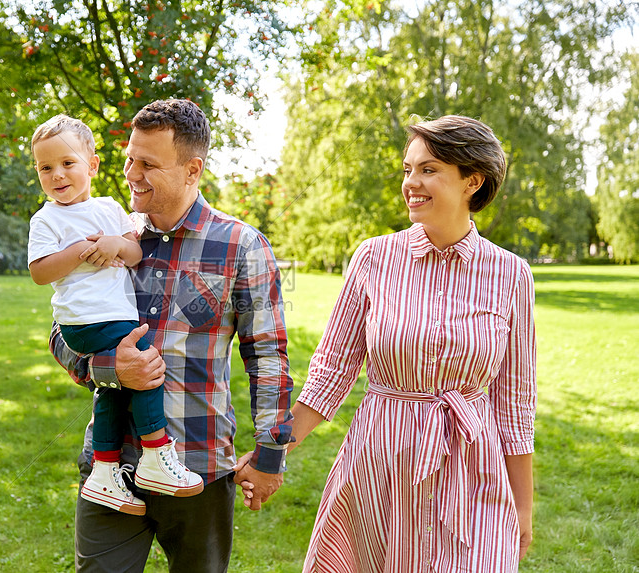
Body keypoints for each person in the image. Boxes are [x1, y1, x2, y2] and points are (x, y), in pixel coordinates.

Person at [47, 99, 294, 572]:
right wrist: (109, 368)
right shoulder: (108, 235)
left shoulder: (241, 245)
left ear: (192, 170)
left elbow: (268, 355)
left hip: (199, 466)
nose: (130, 173)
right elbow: (62, 334)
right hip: (111, 464)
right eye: (129, 158)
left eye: (148, 164)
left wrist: (270, 454)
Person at [286, 115, 536, 572]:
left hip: (472, 473)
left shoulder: (512, 274)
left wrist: (522, 505)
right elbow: (332, 372)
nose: (411, 183)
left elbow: (514, 403)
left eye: (429, 169)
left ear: (471, 182)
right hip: (379, 464)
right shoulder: (374, 258)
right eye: (408, 169)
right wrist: (273, 450)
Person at [27, 114, 204, 517]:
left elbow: (135, 252)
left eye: (67, 163)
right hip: (86, 322)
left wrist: (112, 244)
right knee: (145, 366)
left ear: (92, 165)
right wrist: (78, 252)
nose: (57, 175)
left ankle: (105, 469)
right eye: (45, 167)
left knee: (112, 388)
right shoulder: (47, 219)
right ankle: (156, 453)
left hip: (110, 316)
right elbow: (39, 272)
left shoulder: (109, 209)